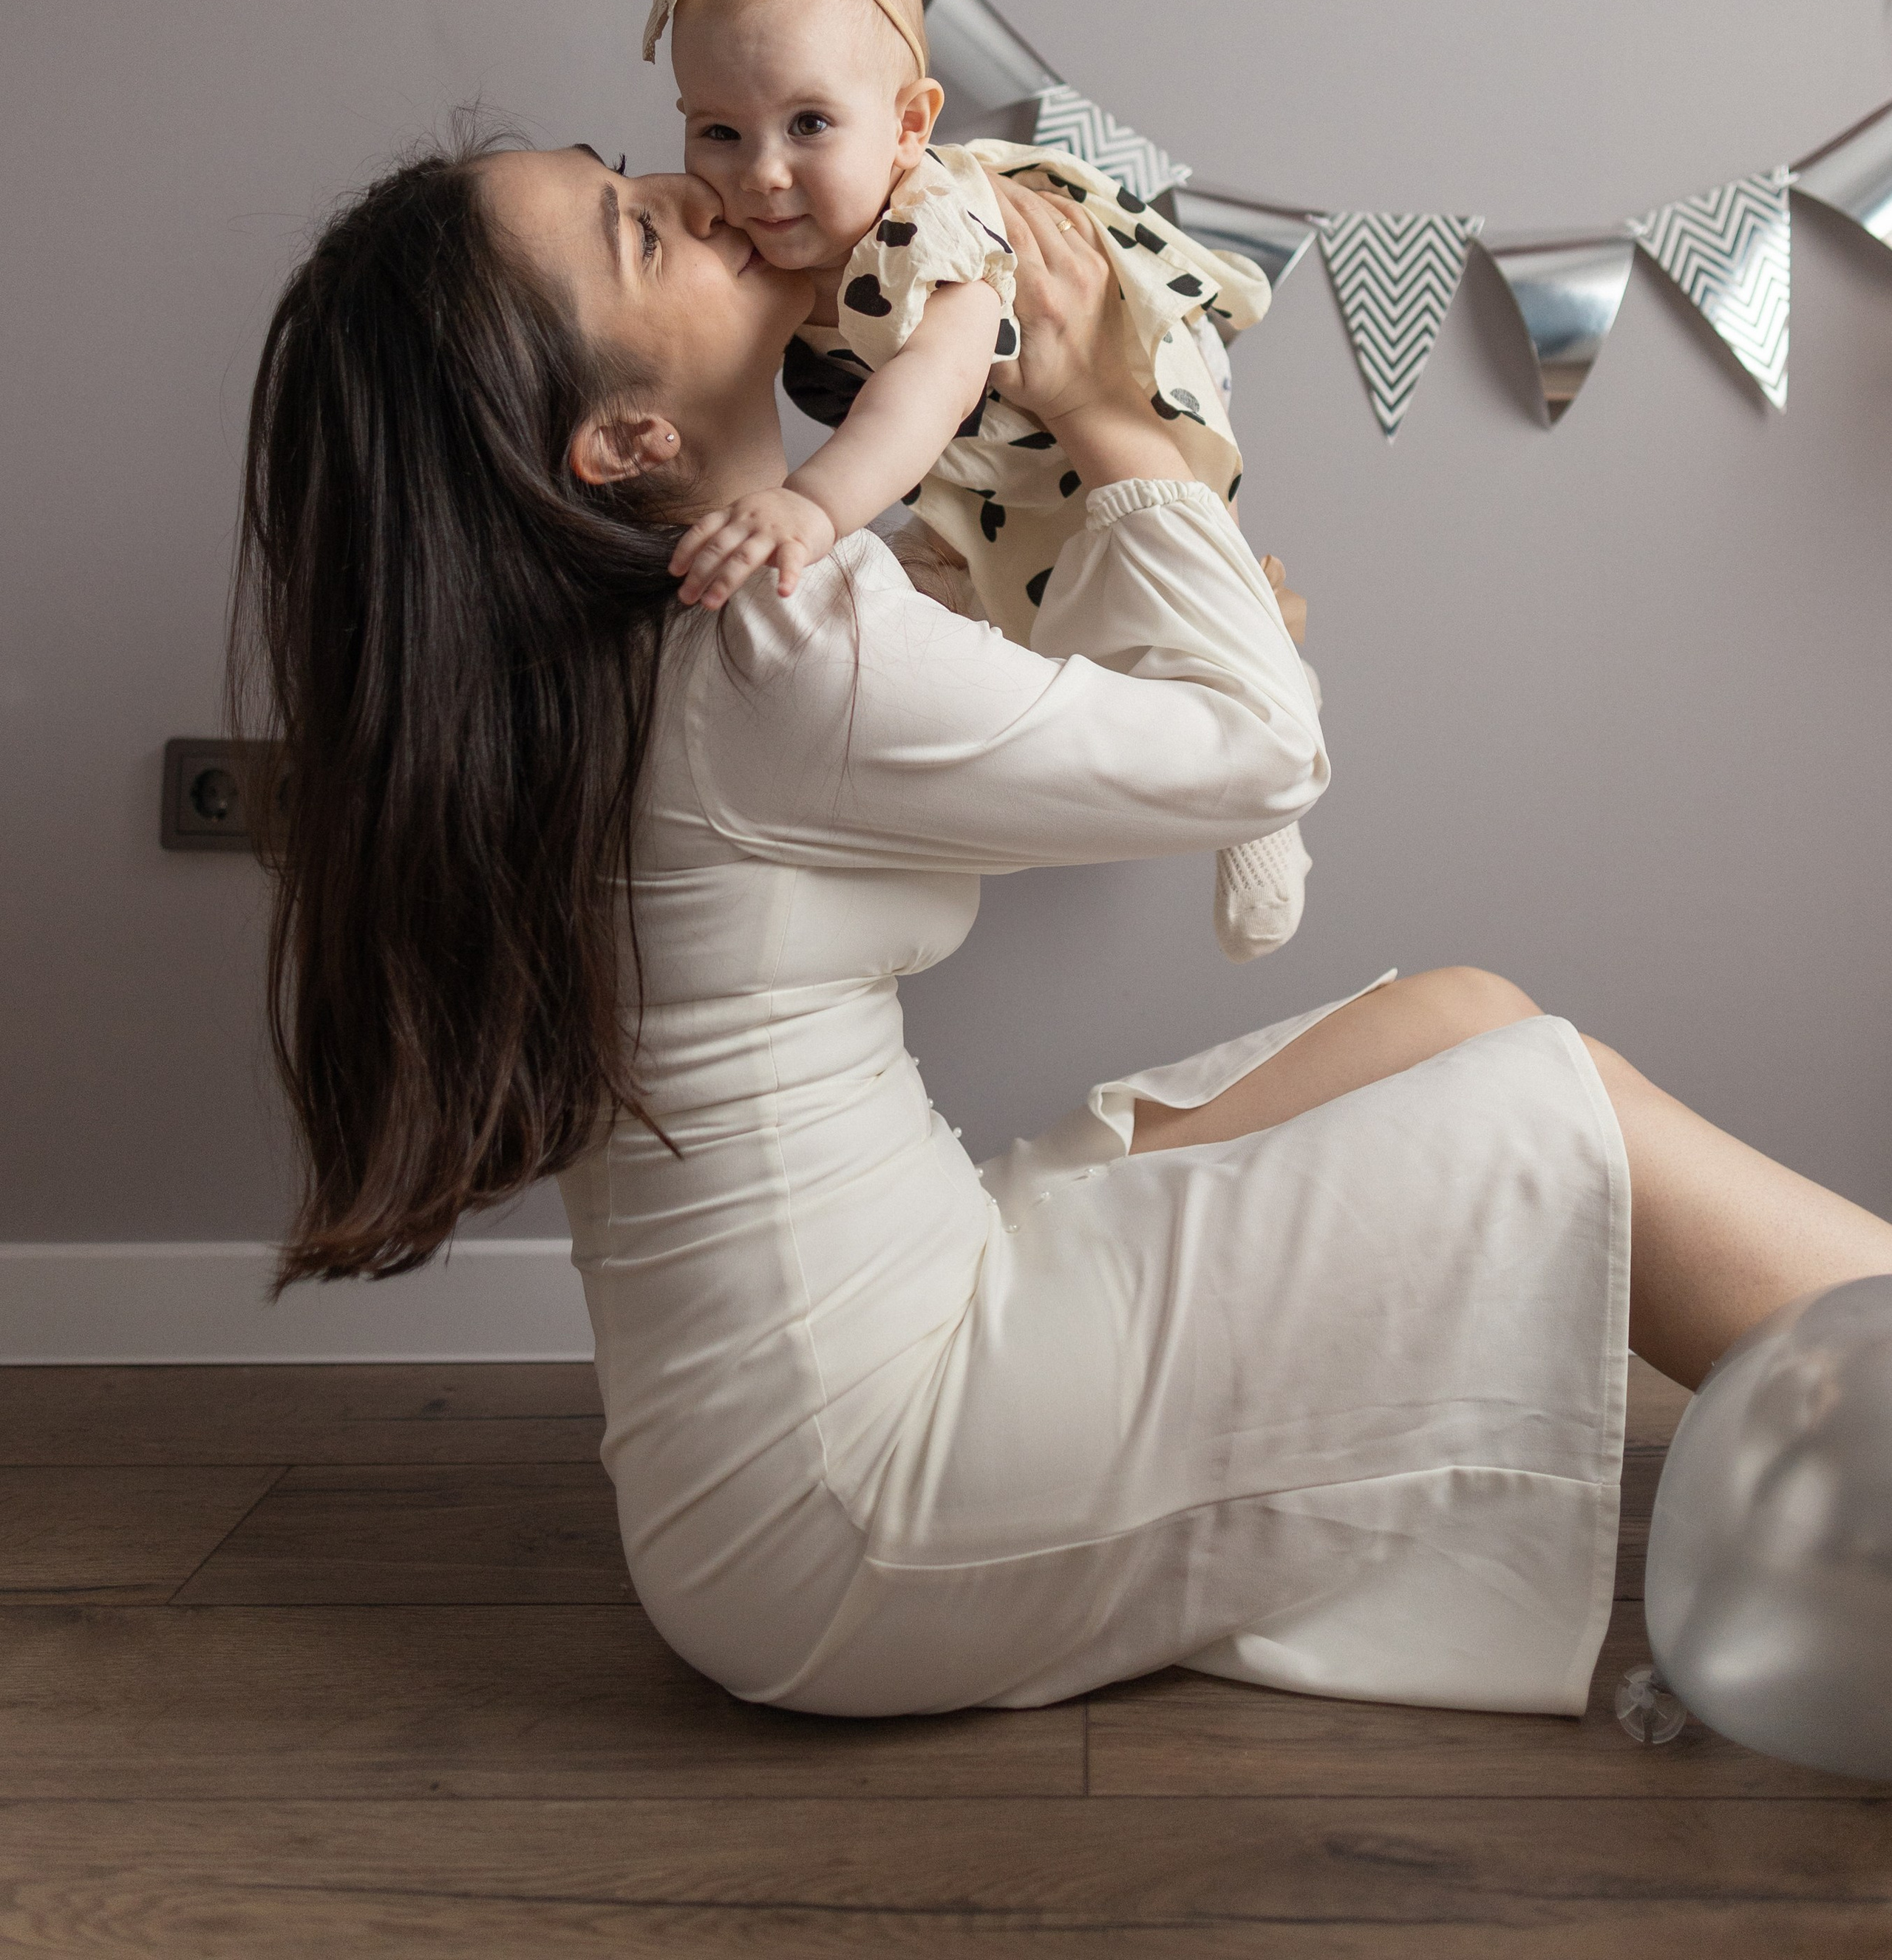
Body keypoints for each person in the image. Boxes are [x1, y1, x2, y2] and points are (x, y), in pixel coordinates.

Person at [236, 132, 1892, 1719]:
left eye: (629, 173)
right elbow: (1256, 758)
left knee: (1456, 1022)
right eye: (640, 231)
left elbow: (1043, 722)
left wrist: (1180, 574)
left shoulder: (680, 637)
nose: (700, 186)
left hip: (789, 1459)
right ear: (621, 441)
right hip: (863, 1500)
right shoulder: (773, 657)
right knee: (1565, 1120)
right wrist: (1117, 421)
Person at [643, 0, 1311, 965]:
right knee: (943, 602)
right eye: (718, 130)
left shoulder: (934, 218)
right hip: (975, 473)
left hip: (1110, 388)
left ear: (910, 125)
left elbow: (938, 383)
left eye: (809, 124)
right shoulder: (778, 229)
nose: (760, 172)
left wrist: (814, 503)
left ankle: (1262, 803)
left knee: (1152, 611)